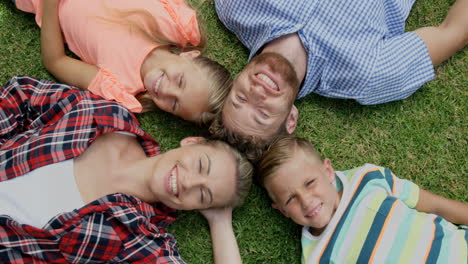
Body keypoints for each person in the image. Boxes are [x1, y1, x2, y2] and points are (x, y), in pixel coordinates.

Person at [0, 75, 252, 263]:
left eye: (202, 194)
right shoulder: (109, 116)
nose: (188, 182)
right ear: (192, 142)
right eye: (200, 165)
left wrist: (220, 223)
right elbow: (22, 94)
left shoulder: (140, 240)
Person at [210, 0, 468, 156]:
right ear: (291, 118)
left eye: (240, 98)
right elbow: (454, 32)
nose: (257, 93)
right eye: (263, 114)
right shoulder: (367, 75)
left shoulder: (236, 6)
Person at [14, 0, 232, 124]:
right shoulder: (174, 23)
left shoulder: (120, 88)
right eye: (181, 81)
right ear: (190, 56)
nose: (166, 90)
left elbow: (55, 61)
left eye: (174, 104)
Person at [256, 136, 468, 263]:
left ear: (328, 171)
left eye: (310, 182)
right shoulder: (317, 257)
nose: (306, 200)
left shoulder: (368, 179)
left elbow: (436, 205)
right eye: (290, 198)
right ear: (282, 210)